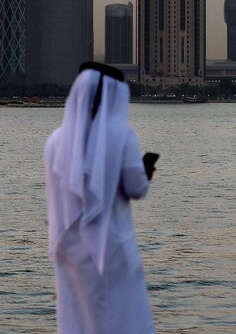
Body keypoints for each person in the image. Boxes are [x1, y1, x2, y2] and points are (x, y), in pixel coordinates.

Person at [45, 62, 158, 334]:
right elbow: (136, 188)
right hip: (110, 247)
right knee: (120, 319)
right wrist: (147, 169)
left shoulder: (55, 141)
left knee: (77, 318)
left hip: (68, 246)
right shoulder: (121, 136)